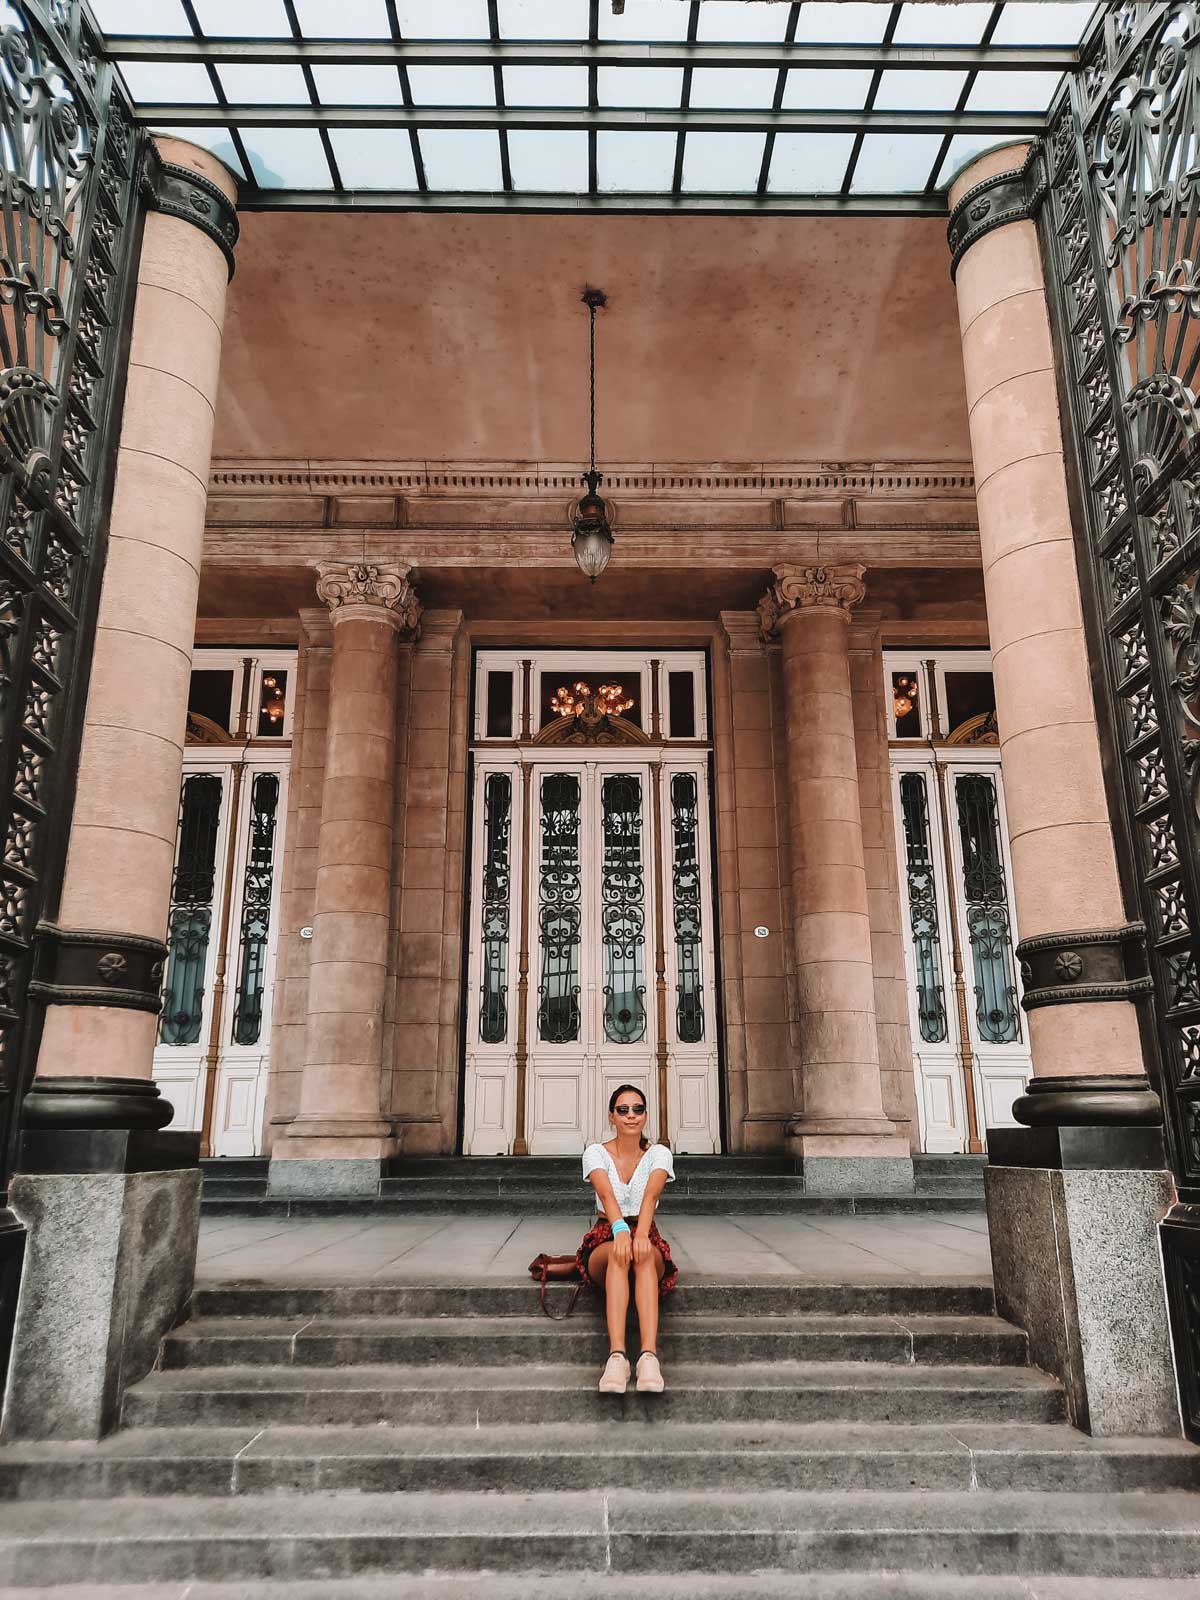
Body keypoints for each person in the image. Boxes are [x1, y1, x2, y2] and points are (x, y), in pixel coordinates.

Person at [575, 1083, 678, 1395]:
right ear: (611, 1116)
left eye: (638, 1109)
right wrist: (620, 1230)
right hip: (606, 1235)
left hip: (645, 1231)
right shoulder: (596, 1152)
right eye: (623, 1110)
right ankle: (617, 1357)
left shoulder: (659, 1153)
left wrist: (641, 1235)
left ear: (645, 1116)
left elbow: (651, 1196)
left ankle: (648, 1357)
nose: (631, 1115)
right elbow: (606, 1195)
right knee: (620, 1256)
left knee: (642, 1255)